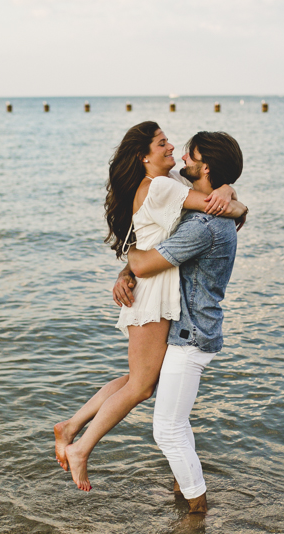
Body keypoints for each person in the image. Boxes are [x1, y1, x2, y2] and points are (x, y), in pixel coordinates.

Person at [54, 122, 247, 492]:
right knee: (141, 387)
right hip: (154, 293)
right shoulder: (159, 186)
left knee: (137, 382)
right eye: (162, 143)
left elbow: (210, 196)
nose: (173, 146)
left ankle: (72, 427)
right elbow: (214, 206)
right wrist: (232, 198)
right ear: (144, 156)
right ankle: (80, 446)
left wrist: (227, 187)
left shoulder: (167, 179)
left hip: (157, 289)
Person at [115, 130, 245, 514]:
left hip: (191, 339)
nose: (183, 157)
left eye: (193, 155)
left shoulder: (203, 226)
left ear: (204, 167)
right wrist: (230, 193)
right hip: (190, 331)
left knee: (166, 429)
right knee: (178, 422)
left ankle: (197, 511)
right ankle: (183, 493)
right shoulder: (205, 211)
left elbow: (144, 263)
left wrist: (129, 257)